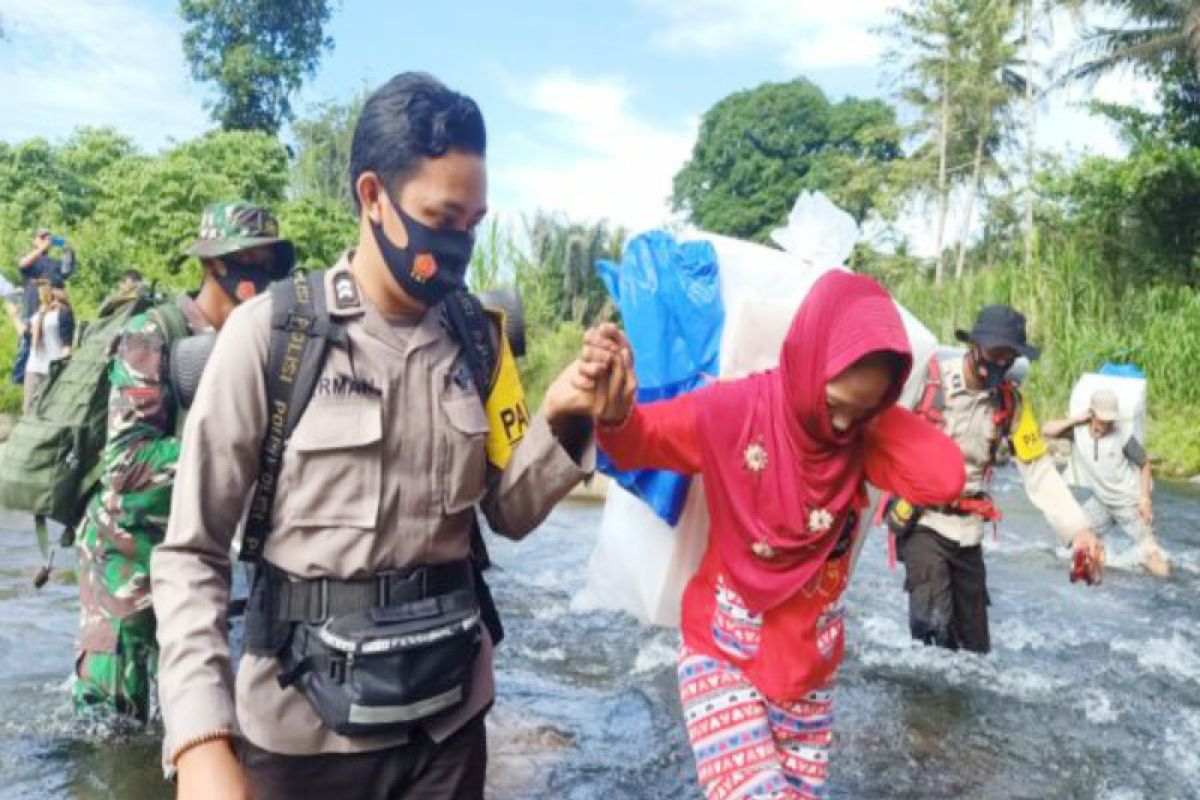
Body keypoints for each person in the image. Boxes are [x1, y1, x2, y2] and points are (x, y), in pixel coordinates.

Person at [153, 72, 600, 800]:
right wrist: (202, 739)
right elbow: (191, 552)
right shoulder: (272, 338)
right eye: (440, 216)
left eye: (474, 224)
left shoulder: (479, 342)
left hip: (449, 733)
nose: (457, 245)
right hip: (303, 741)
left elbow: (509, 514)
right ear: (371, 197)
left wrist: (568, 415)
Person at [587, 272, 967, 800]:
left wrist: (872, 417)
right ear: (806, 362)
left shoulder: (863, 437)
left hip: (810, 675)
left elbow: (943, 477)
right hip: (723, 653)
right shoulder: (730, 410)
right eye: (833, 403)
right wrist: (613, 417)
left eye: (858, 413)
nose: (838, 425)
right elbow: (638, 444)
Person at [73, 201, 294, 723]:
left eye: (269, 266)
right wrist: (232, 444)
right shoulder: (155, 336)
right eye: (249, 263)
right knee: (112, 724)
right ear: (213, 265)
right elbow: (126, 466)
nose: (260, 279)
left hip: (201, 552)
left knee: (199, 709)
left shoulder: (265, 341)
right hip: (129, 553)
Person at [891, 305, 1104, 655]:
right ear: (974, 346)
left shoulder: (1011, 404)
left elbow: (1038, 469)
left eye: (1009, 357)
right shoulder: (929, 382)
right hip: (921, 520)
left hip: (968, 532)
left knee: (976, 651)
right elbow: (881, 435)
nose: (999, 364)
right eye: (994, 354)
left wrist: (1078, 531)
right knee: (934, 639)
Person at [1043, 389, 1169, 577]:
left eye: (1110, 420)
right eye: (1102, 420)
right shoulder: (1078, 432)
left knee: (1152, 555)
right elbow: (1046, 430)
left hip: (1129, 503)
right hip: (1101, 502)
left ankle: (1171, 585)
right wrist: (1075, 420)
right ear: (1091, 414)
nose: (1106, 425)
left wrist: (1144, 500)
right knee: (1073, 539)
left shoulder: (1123, 435)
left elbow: (1144, 464)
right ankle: (1102, 564)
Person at [12, 228, 75, 385]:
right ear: (35, 240)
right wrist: (41, 248)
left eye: (48, 237)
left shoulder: (55, 263)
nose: (46, 240)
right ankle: (26, 391)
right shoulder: (31, 261)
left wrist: (68, 249)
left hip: (54, 316)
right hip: (32, 314)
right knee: (28, 357)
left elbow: (67, 270)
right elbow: (22, 264)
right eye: (42, 237)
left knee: (55, 355)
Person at [22, 280, 74, 413]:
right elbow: (32, 342)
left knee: (51, 410)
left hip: (53, 367)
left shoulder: (63, 313)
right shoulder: (36, 314)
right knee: (28, 409)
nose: (40, 292)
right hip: (34, 366)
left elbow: (67, 345)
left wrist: (63, 365)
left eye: (42, 287)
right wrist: (40, 314)